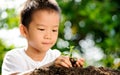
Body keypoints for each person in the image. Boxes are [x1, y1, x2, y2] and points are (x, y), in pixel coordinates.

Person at [2, 0, 84, 75]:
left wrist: (74, 68)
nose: (48, 36)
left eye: (54, 30)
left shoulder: (55, 56)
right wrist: (50, 67)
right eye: (42, 29)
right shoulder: (14, 57)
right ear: (24, 30)